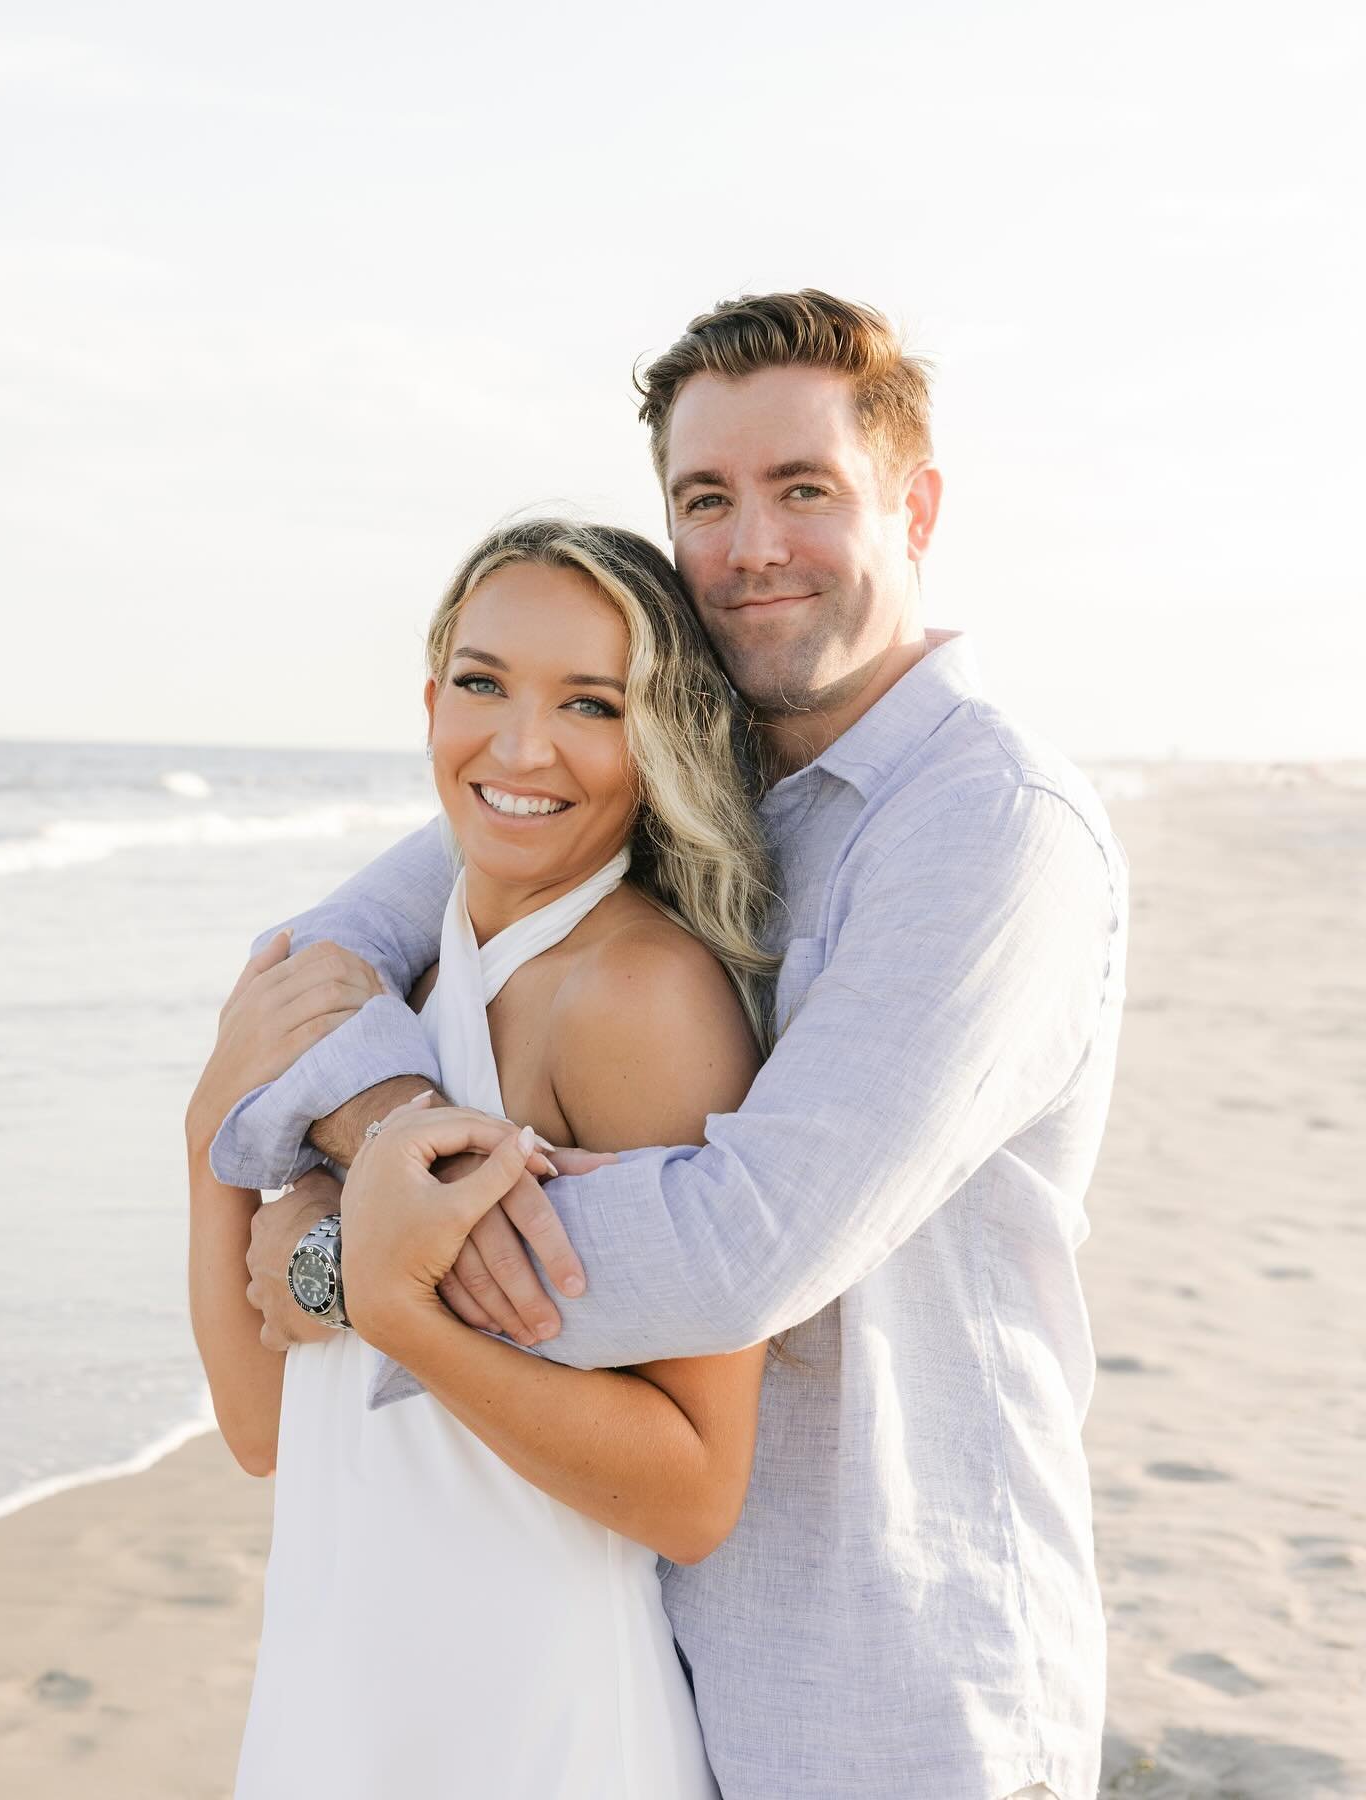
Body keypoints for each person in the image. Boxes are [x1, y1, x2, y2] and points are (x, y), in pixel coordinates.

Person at [212, 290, 1128, 1800]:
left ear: (919, 509)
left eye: (805, 490)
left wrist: (367, 1264)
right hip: (652, 1642)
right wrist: (381, 1138)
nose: (752, 544)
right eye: (708, 499)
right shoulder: (669, 766)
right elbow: (308, 972)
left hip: (892, 1685)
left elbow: (738, 1249)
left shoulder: (987, 833)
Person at [186, 520, 785, 1797]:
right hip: (338, 1679)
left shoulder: (637, 998)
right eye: (482, 683)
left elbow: (695, 1493)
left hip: (530, 1716)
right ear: (428, 701)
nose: (521, 748)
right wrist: (209, 1140)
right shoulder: (392, 978)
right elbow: (258, 1430)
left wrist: (397, 1307)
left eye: (589, 702)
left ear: (658, 737)